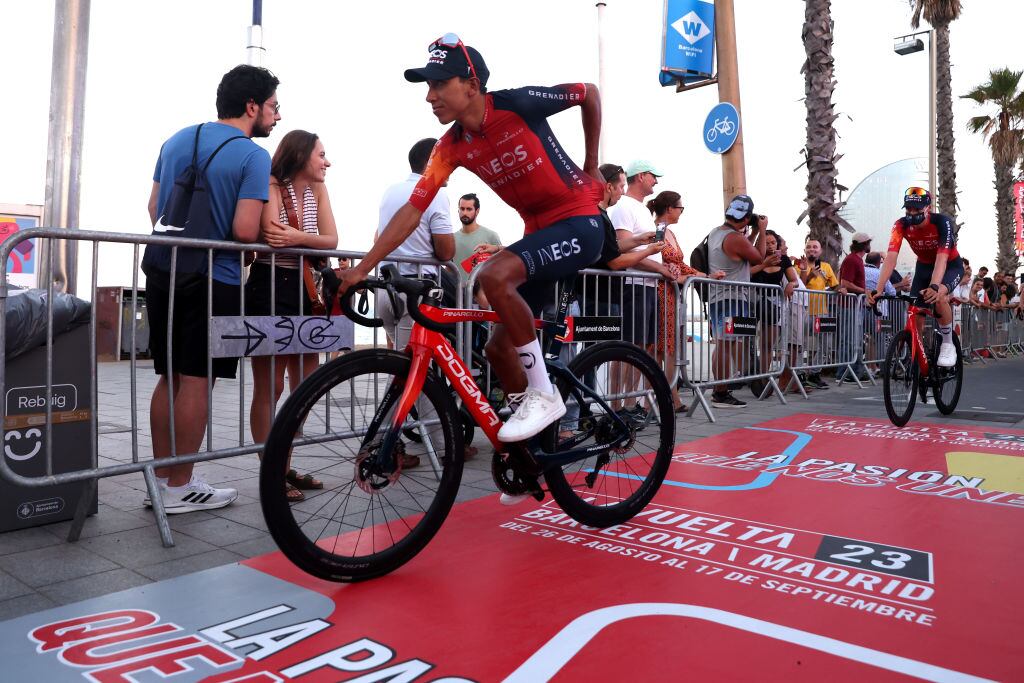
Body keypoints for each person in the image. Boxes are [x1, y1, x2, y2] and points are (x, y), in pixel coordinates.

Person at [338, 35, 604, 448]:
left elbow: (590, 94)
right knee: (498, 352)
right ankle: (534, 452)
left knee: (494, 275)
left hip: (580, 221)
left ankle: (544, 396)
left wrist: (591, 164)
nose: (429, 97)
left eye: (439, 85)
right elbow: (412, 211)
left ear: (472, 85)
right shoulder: (450, 146)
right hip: (539, 231)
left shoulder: (518, 103)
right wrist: (362, 267)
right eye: (428, 87)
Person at [142, 65, 280, 513]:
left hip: (163, 268)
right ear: (252, 106)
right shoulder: (253, 156)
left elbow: (153, 207)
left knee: (169, 376)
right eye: (274, 106)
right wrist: (266, 240)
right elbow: (243, 229)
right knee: (198, 380)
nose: (277, 116)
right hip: (212, 277)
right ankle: (182, 486)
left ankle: (163, 479)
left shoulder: (176, 139)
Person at [246, 130, 338, 503]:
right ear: (301, 155)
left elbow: (331, 240)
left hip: (306, 288)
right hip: (270, 285)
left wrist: (298, 237)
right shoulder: (270, 182)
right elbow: (271, 234)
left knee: (305, 382)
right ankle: (272, 470)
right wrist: (307, 238)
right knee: (270, 385)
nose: (326, 161)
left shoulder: (318, 189)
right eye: (321, 154)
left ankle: (283, 462)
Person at [868, 187, 965, 368]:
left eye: (916, 209)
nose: (912, 213)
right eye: (908, 209)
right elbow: (890, 258)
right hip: (923, 267)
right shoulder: (900, 225)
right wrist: (879, 289)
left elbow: (942, 258)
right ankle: (918, 357)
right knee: (915, 310)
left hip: (950, 266)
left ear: (928, 208)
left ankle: (947, 343)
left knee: (939, 297)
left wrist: (935, 286)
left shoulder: (942, 222)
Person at [374, 137, 456, 350]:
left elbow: (378, 237)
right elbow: (446, 252)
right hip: (415, 288)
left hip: (385, 287)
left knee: (397, 364)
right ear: (432, 162)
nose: (452, 168)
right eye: (447, 161)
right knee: (409, 367)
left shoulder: (390, 191)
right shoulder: (436, 193)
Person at [646, 190, 722, 410]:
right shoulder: (657, 231)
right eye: (680, 208)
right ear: (669, 209)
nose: (681, 212)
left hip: (672, 293)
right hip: (661, 292)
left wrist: (705, 275)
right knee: (662, 348)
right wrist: (681, 275)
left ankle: (669, 396)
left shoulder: (668, 232)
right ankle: (660, 399)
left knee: (668, 348)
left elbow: (680, 266)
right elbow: (658, 261)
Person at [706, 195, 767, 408]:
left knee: (722, 343)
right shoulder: (735, 237)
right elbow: (759, 257)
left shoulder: (717, 232)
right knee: (726, 343)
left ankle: (719, 390)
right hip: (732, 296)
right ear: (747, 217)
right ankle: (721, 394)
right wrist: (763, 229)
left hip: (718, 296)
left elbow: (741, 252)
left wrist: (755, 232)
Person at [611, 160, 664, 354]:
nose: (656, 182)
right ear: (641, 176)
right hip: (633, 286)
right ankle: (618, 387)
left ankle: (634, 387)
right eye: (653, 176)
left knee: (641, 348)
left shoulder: (640, 208)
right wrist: (660, 268)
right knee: (629, 348)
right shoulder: (624, 206)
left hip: (648, 285)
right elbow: (623, 250)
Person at [750, 229, 800, 393]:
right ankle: (749, 377)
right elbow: (745, 273)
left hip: (773, 304)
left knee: (767, 344)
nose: (770, 246)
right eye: (767, 242)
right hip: (753, 301)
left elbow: (794, 280)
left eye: (773, 243)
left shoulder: (783, 259)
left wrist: (790, 284)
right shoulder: (755, 257)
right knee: (747, 341)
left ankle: (764, 378)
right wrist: (764, 264)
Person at [797, 238, 839, 389]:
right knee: (799, 345)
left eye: (815, 247)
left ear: (820, 251)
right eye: (809, 247)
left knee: (826, 346)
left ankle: (814, 374)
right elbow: (798, 285)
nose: (812, 249)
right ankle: (800, 375)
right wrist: (809, 275)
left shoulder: (826, 266)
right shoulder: (798, 265)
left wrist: (841, 289)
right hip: (803, 312)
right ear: (805, 250)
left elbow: (834, 285)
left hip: (822, 313)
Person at [838, 232, 873, 383]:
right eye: (868, 242)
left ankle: (856, 371)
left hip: (853, 306)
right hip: (848, 307)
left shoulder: (856, 260)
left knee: (856, 340)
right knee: (849, 340)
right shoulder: (852, 260)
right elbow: (845, 283)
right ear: (864, 245)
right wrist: (863, 291)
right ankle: (845, 372)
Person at [454, 193, 503, 276]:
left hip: (484, 288)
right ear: (458, 210)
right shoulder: (452, 238)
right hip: (457, 288)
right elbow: (451, 268)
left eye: (469, 209)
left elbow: (502, 265)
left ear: (477, 211)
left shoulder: (491, 235)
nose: (464, 212)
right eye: (462, 209)